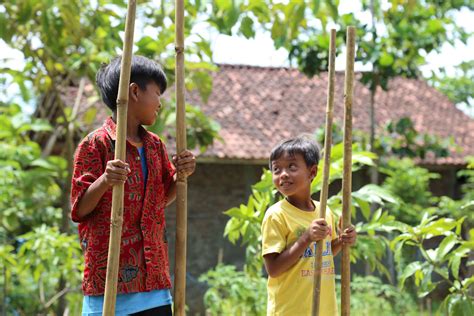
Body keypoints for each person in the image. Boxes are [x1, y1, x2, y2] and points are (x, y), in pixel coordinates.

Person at [70, 55, 195, 316]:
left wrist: (180, 176)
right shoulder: (96, 144)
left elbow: (161, 198)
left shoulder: (155, 146)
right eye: (158, 93)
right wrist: (105, 180)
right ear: (134, 92)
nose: (160, 103)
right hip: (109, 284)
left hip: (154, 284)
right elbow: (79, 209)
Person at [261, 135, 357, 316]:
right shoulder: (276, 215)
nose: (283, 174)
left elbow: (324, 251)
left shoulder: (324, 211)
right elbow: (273, 269)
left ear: (312, 172)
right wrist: (306, 237)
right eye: (276, 169)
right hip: (290, 310)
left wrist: (343, 240)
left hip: (323, 309)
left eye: (291, 166)